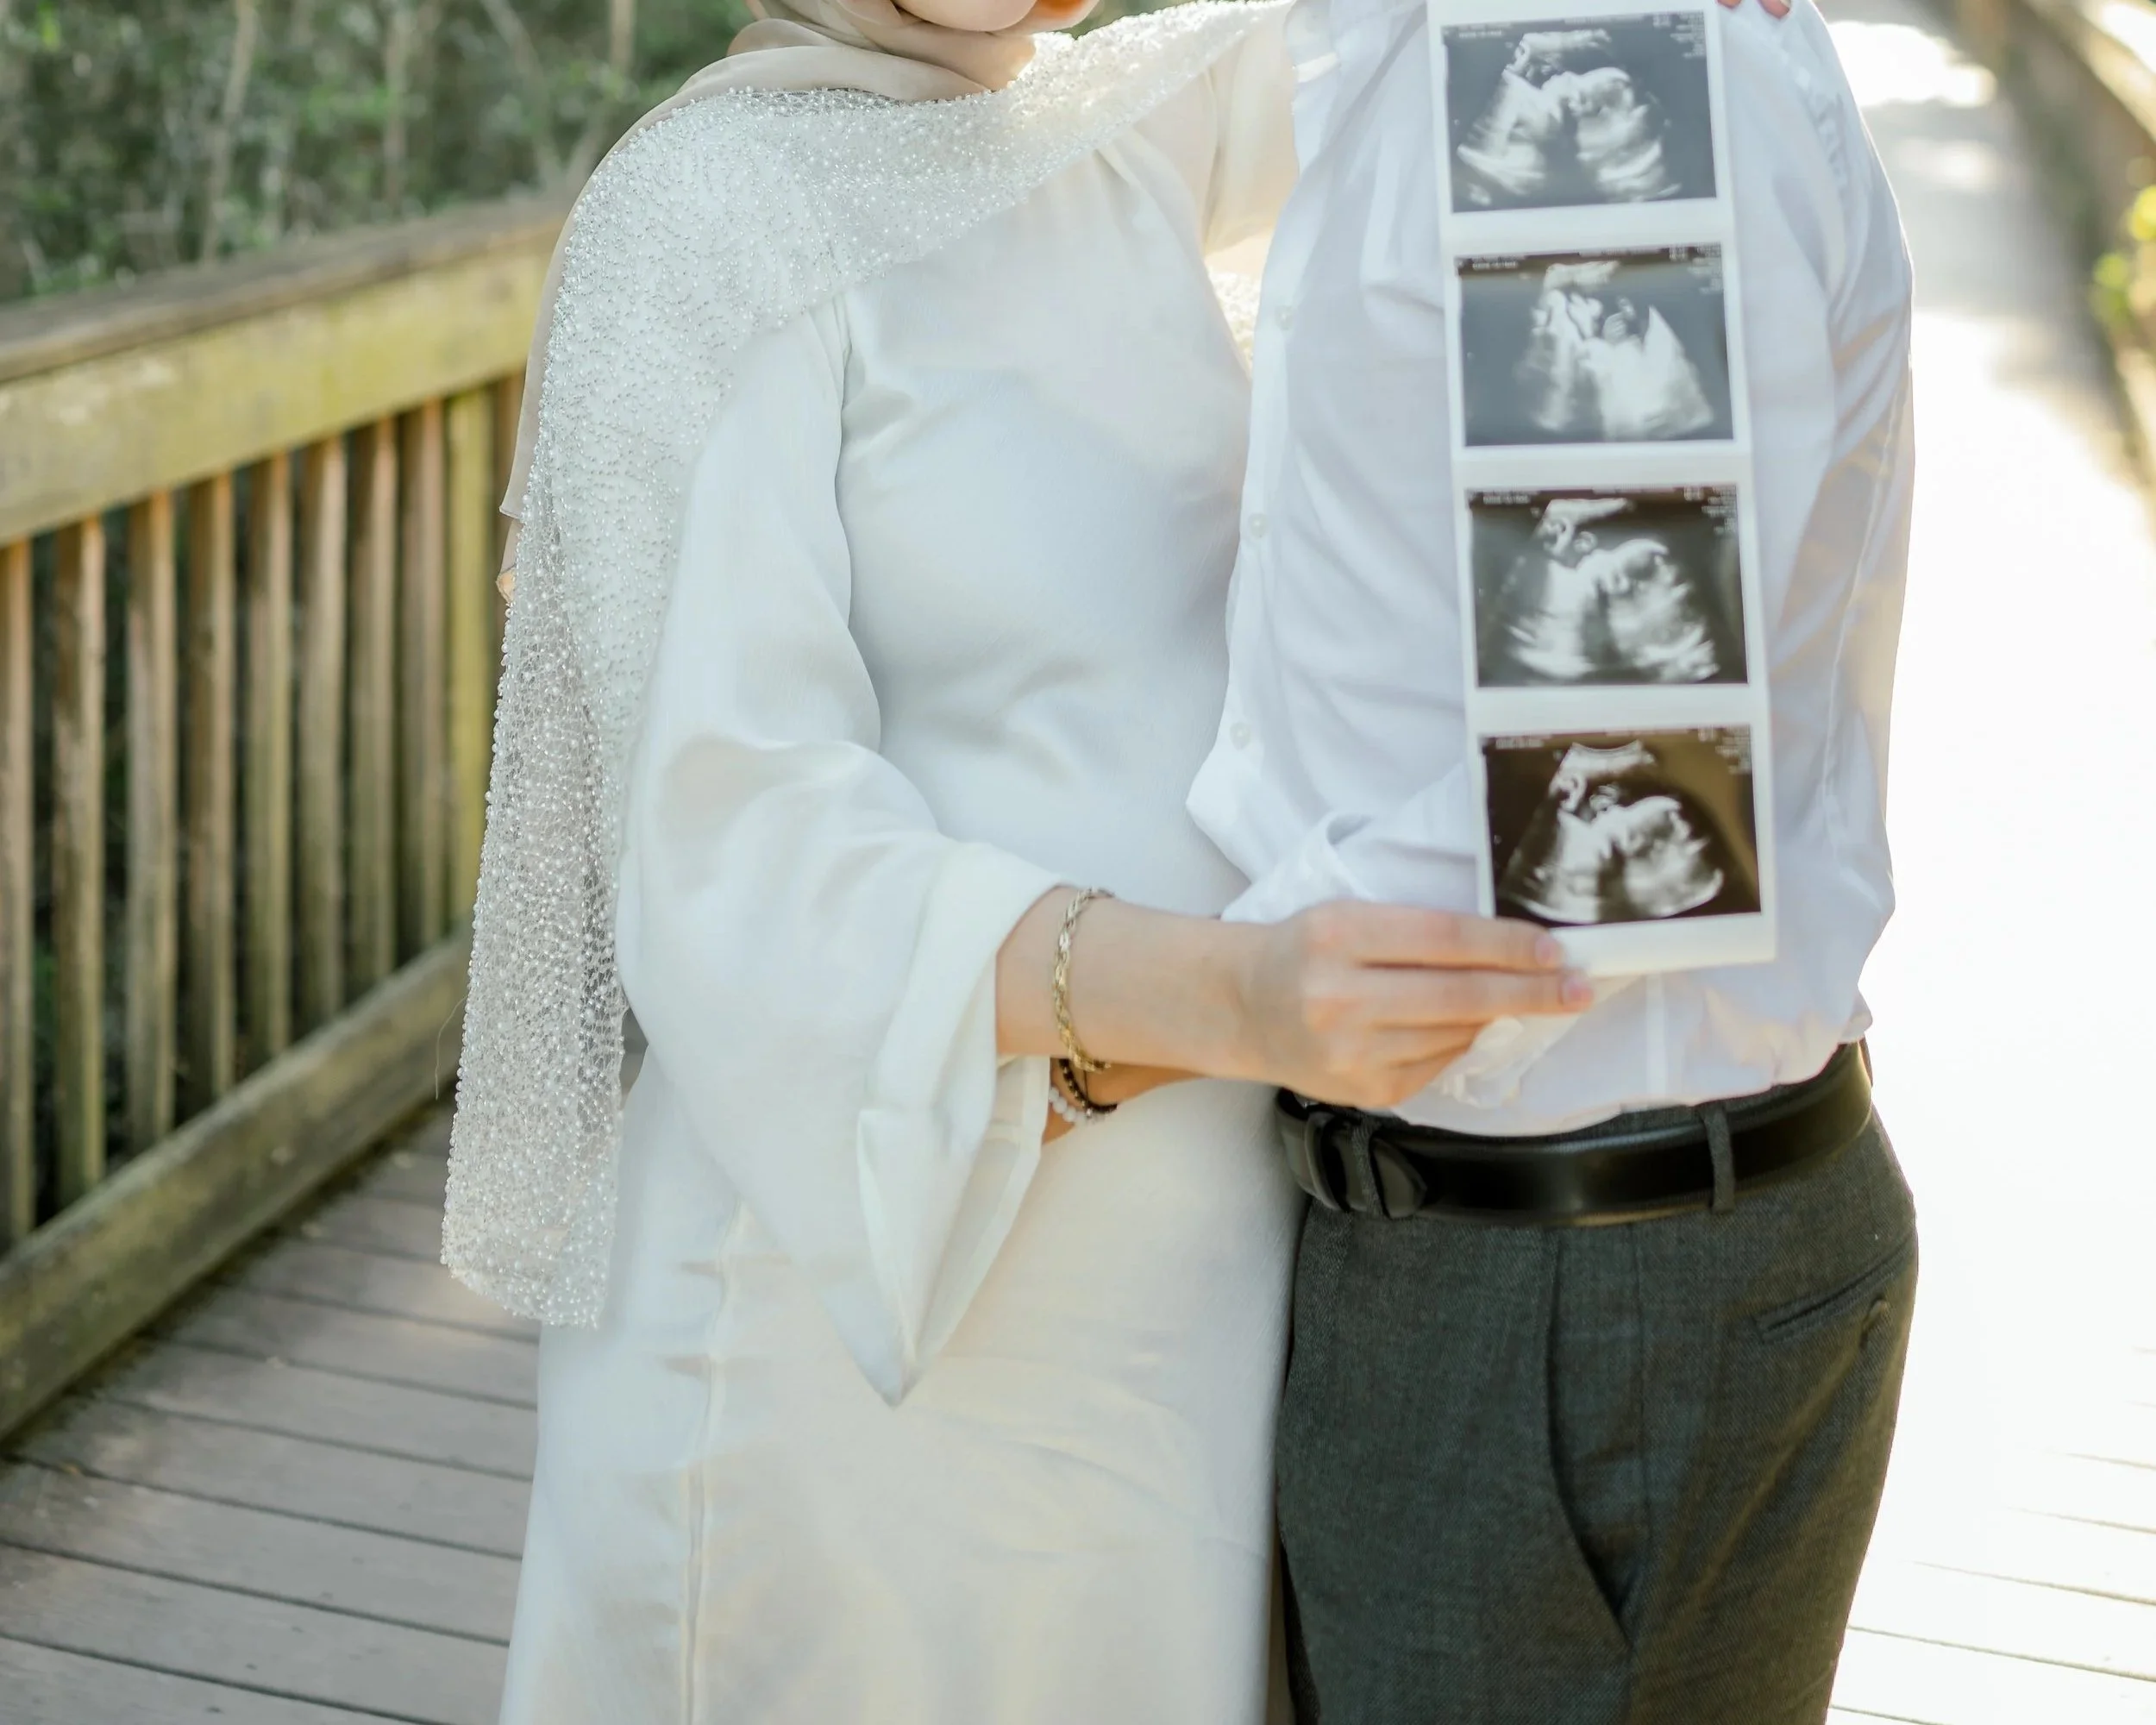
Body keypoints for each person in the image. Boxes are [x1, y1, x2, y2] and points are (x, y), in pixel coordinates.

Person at [442, 1, 1595, 1719]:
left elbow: (1417, 41)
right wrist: (1235, 1000)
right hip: (839, 1355)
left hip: (1173, 1317)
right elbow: (732, 842)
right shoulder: (707, 213)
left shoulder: (1112, 130)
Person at [1178, 0, 1919, 1715]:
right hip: (1527, 1247)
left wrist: (1108, 1003)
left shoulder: (1573, 65)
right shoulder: (1417, 45)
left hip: (1566, 1282)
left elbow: (1613, 821)